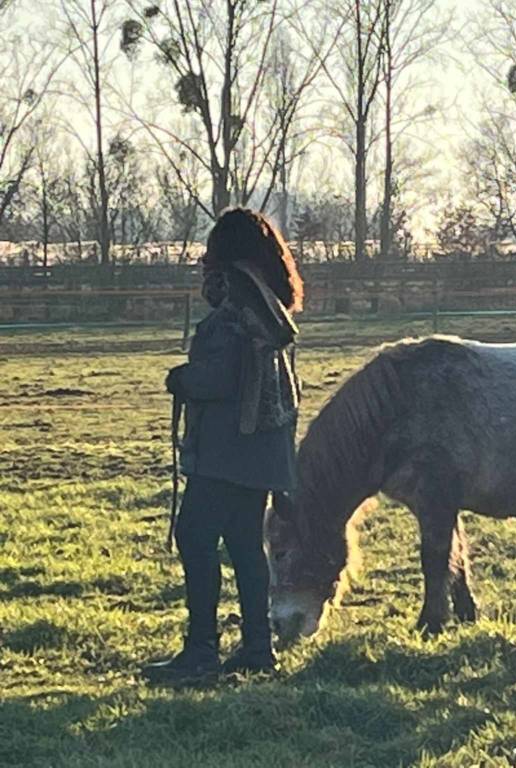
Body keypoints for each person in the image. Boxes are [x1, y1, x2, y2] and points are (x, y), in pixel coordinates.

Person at [142, 208, 303, 685]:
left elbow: (225, 375)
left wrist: (183, 380)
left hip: (226, 449)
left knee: (194, 536)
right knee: (244, 545)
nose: (205, 260)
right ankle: (257, 647)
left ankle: (201, 652)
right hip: (259, 451)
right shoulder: (266, 298)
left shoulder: (236, 299)